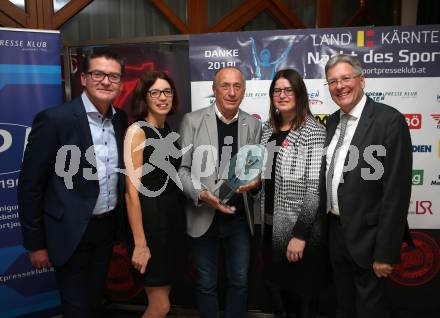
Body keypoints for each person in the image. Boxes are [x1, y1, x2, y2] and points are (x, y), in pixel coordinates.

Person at [18, 48, 128, 318]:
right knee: (77, 310)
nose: (105, 81)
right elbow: (30, 186)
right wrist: (36, 244)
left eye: (113, 76)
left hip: (105, 230)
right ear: (83, 79)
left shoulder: (121, 119)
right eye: (98, 74)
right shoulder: (55, 120)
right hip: (68, 233)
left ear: (121, 83)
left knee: (93, 303)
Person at [321, 54, 413, 318]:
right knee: (344, 307)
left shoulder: (389, 121)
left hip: (370, 239)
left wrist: (385, 252)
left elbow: (396, 191)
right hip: (335, 233)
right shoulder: (331, 121)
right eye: (332, 81)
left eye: (346, 78)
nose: (339, 86)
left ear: (362, 80)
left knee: (370, 311)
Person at [178, 67, 262, 318]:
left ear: (244, 91)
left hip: (238, 218)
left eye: (237, 86)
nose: (232, 92)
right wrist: (202, 194)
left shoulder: (254, 124)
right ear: (214, 90)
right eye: (225, 86)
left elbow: (254, 171)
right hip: (204, 215)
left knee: (240, 282)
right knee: (206, 284)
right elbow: (181, 170)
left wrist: (256, 182)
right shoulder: (192, 121)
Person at [259, 69, 328, 318]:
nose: (282, 95)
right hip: (270, 226)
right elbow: (264, 175)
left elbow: (313, 190)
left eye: (289, 89)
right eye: (277, 90)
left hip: (299, 232)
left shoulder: (312, 131)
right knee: (275, 290)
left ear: (299, 93)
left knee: (300, 298)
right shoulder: (268, 129)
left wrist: (300, 235)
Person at [124, 71, 186, 318]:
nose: (163, 97)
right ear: (145, 97)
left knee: (165, 299)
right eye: (156, 92)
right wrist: (140, 244)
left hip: (171, 222)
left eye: (167, 91)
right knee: (160, 306)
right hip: (150, 226)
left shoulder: (166, 128)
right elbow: (130, 191)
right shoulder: (137, 131)